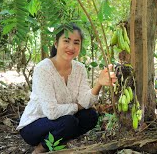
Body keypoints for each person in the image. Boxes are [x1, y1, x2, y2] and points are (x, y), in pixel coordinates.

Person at [16, 24, 117, 153]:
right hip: (34, 126)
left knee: (90, 116)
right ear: (56, 44)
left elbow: (85, 101)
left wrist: (99, 84)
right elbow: (51, 112)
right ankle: (40, 149)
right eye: (66, 41)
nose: (71, 47)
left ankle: (60, 141)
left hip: (63, 120)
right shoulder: (43, 69)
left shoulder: (79, 68)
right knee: (69, 121)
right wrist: (77, 106)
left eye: (76, 42)